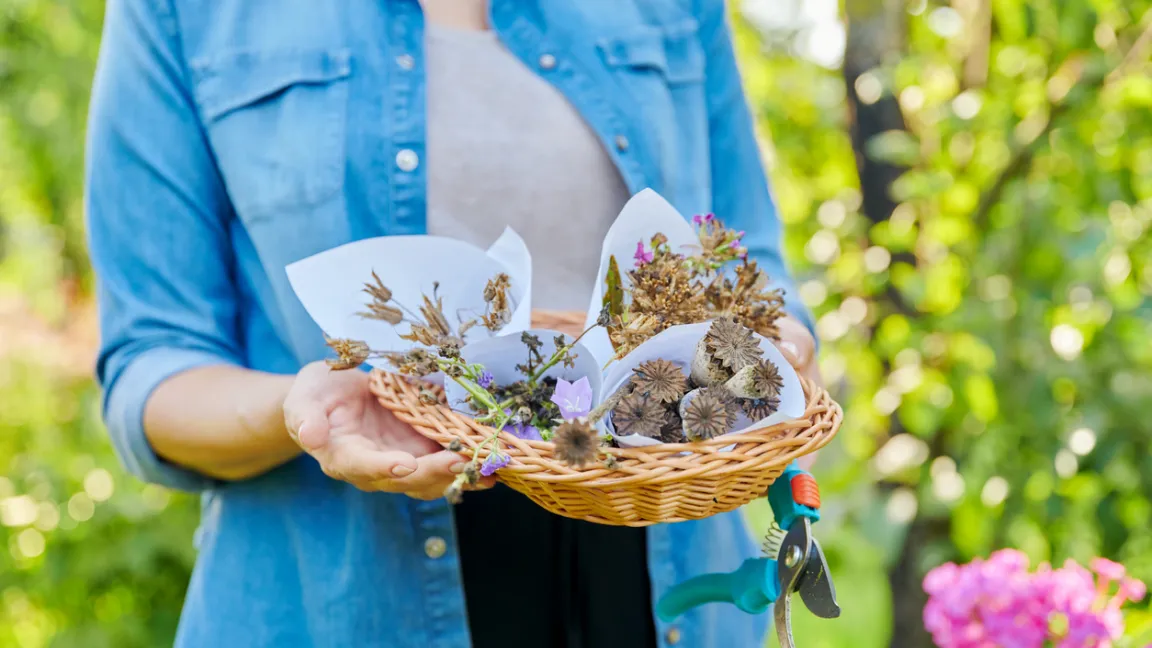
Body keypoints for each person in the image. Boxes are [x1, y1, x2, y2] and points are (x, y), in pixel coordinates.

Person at [85, 0, 819, 645]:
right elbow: (153, 369)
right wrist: (299, 413)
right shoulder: (184, 11)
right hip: (348, 591)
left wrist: (778, 345)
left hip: (658, 560)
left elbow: (749, 260)